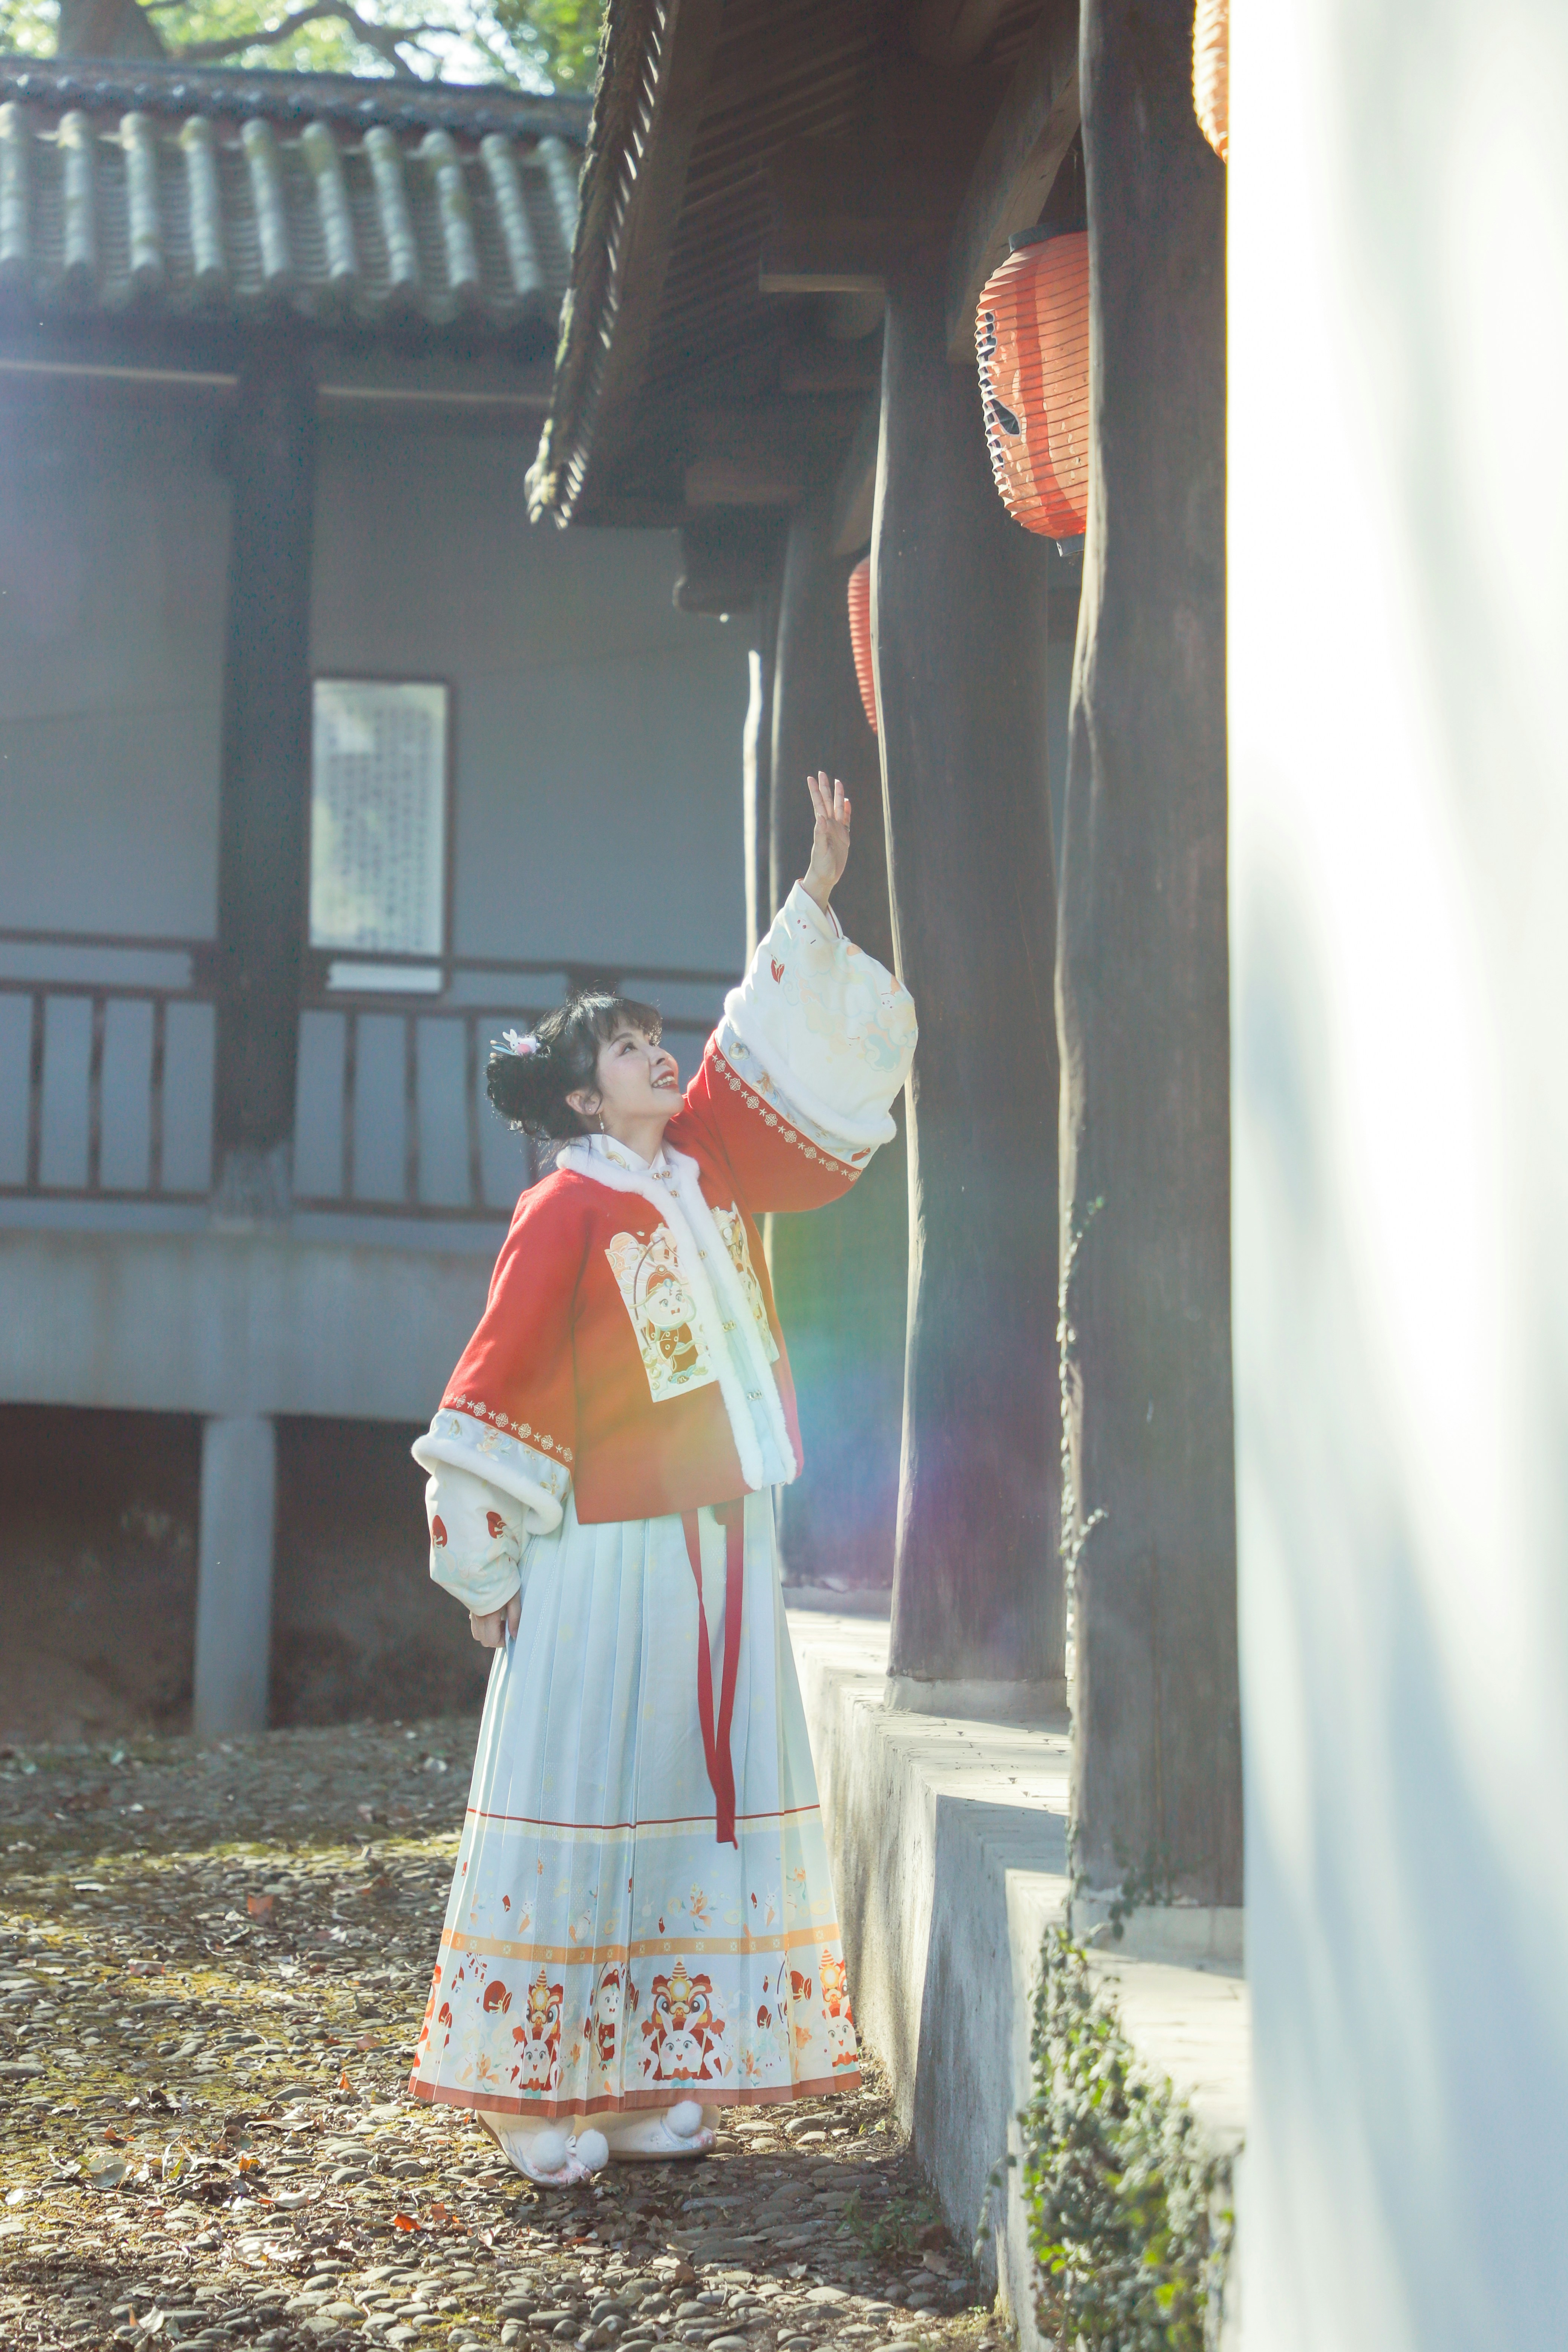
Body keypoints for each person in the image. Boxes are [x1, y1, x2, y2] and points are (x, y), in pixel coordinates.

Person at [407, 772, 917, 2185]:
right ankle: (529, 2090)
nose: (660, 1057)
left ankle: (632, 2080)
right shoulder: (564, 1207)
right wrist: (485, 1571)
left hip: (715, 1540)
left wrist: (814, 890)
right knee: (589, 1793)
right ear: (584, 1093)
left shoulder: (698, 1171)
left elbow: (761, 1048)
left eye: (654, 1039)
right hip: (604, 1551)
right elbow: (491, 1388)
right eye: (632, 1049)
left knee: (678, 1800)